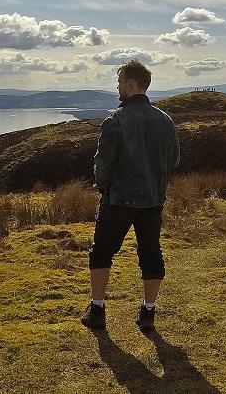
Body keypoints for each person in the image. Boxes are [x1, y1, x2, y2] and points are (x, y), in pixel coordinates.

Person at [80, 59, 180, 333]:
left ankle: (97, 309)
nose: (117, 87)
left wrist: (104, 187)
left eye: (120, 82)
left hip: (119, 199)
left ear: (130, 84)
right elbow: (174, 161)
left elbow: (103, 165)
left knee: (101, 252)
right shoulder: (165, 121)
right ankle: (148, 313)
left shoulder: (116, 120)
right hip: (153, 200)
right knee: (151, 253)